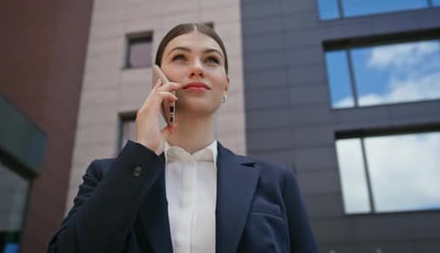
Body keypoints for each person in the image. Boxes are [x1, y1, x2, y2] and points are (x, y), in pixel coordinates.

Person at [47, 23, 319, 253]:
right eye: (180, 57)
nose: (197, 68)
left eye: (211, 60)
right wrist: (141, 152)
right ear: (158, 79)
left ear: (226, 85)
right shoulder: (107, 175)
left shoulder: (275, 179)